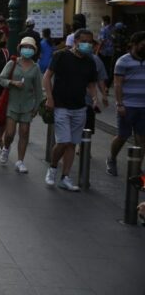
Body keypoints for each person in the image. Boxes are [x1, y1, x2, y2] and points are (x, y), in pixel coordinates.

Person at [43, 29, 99, 191]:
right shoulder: (61, 56)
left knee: (72, 143)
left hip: (80, 107)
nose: (88, 44)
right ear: (75, 42)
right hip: (61, 105)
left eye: (90, 42)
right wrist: (50, 98)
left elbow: (91, 84)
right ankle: (53, 168)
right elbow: (47, 76)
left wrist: (95, 98)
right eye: (85, 41)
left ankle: (65, 177)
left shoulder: (90, 61)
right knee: (63, 141)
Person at [0, 37, 43, 173]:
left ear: (34, 50)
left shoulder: (35, 68)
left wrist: (37, 107)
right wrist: (12, 83)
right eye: (25, 47)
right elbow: (1, 79)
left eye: (30, 48)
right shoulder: (12, 63)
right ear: (20, 48)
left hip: (27, 105)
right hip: (12, 103)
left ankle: (20, 161)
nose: (27, 50)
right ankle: (6, 148)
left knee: (24, 133)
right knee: (10, 133)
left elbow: (38, 90)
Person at [106, 31, 145, 176]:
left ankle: (136, 168)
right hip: (128, 106)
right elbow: (117, 85)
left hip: (144, 107)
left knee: (142, 138)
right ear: (134, 45)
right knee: (123, 135)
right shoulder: (123, 61)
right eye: (143, 45)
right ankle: (112, 158)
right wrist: (119, 104)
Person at [98, 15, 114, 88]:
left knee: (103, 66)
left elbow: (102, 41)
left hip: (104, 51)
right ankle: (107, 83)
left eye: (102, 21)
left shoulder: (103, 29)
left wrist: (98, 50)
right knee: (108, 67)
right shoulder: (113, 28)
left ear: (105, 21)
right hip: (111, 50)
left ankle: (103, 83)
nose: (102, 22)